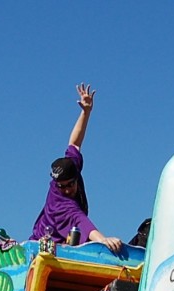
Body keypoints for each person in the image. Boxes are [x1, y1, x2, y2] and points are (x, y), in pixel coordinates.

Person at [30, 83, 122, 253]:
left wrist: (86, 112)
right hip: (42, 248)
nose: (66, 190)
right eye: (61, 186)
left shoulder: (72, 165)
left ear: (75, 176)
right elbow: (81, 222)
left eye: (69, 185)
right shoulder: (60, 202)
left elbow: (74, 143)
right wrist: (103, 240)